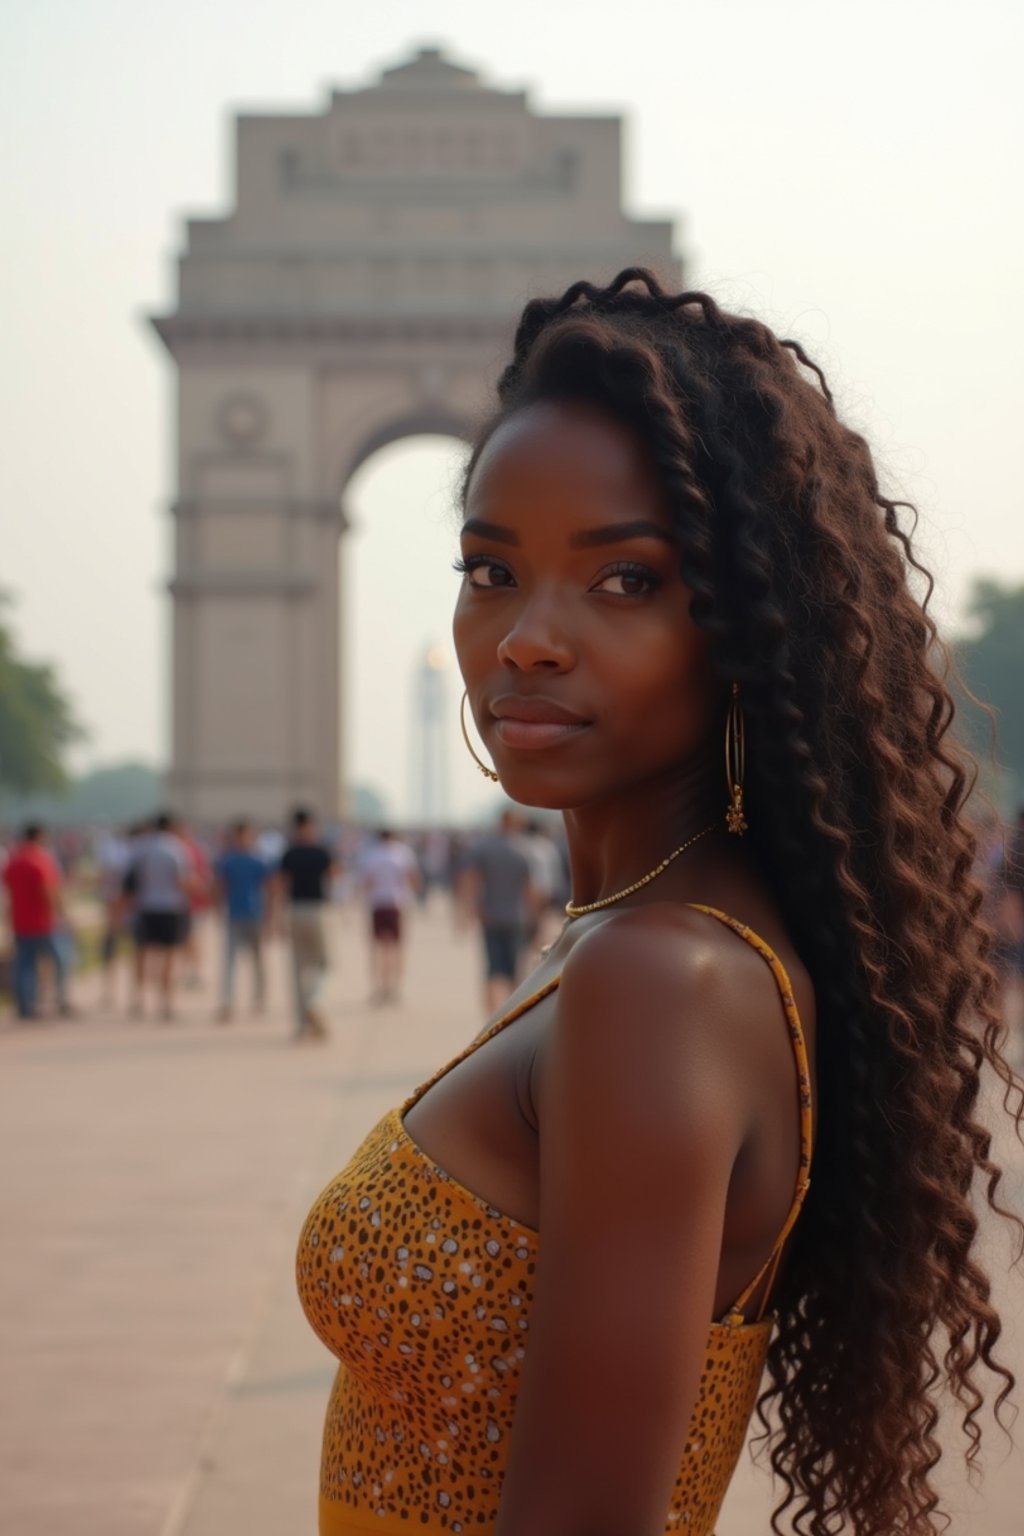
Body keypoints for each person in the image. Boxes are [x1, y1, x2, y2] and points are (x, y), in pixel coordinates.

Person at [296, 270, 1022, 1536]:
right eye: (490, 569)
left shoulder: (659, 978)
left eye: (623, 579)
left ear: (747, 623)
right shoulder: (645, 939)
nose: (526, 637)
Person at [459, 809, 535, 1011]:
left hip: (490, 916)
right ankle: (511, 1014)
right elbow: (529, 889)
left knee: (492, 971)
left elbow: (471, 880)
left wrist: (470, 909)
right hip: (515, 917)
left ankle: (491, 1016)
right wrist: (534, 917)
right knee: (514, 971)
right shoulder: (524, 850)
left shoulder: (484, 848)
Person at [275, 807, 334, 1040]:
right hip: (317, 910)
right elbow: (335, 878)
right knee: (323, 964)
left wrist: (275, 918)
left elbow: (279, 885)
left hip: (293, 911)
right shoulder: (321, 851)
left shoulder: (289, 853)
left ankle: (301, 1024)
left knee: (297, 969)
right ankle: (315, 1001)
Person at [125, 811, 191, 1021]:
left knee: (142, 954)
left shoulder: (141, 848)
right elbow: (181, 880)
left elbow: (130, 882)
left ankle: (138, 1000)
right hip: (170, 906)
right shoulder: (176, 848)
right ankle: (166, 1004)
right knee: (169, 956)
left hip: (145, 906)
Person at [2, 824, 70, 1019]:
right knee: (61, 961)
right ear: (39, 836)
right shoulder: (41, 860)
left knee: (24, 966)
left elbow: (9, 893)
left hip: (20, 922)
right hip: (43, 923)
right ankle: (61, 1000)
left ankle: (25, 1007)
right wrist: (61, 915)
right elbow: (49, 892)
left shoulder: (14, 861)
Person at [214, 819, 270, 1021]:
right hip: (235, 914)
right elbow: (220, 887)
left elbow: (270, 889)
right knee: (230, 961)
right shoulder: (228, 860)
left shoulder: (259, 860)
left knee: (258, 960)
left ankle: (259, 998)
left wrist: (270, 918)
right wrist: (218, 909)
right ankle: (227, 1002)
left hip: (255, 913)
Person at [358, 827, 420, 1004]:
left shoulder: (371, 854)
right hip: (396, 903)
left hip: (377, 903)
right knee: (396, 948)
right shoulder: (403, 853)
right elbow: (412, 879)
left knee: (378, 949)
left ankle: (379, 987)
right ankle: (394, 988)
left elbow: (366, 882)